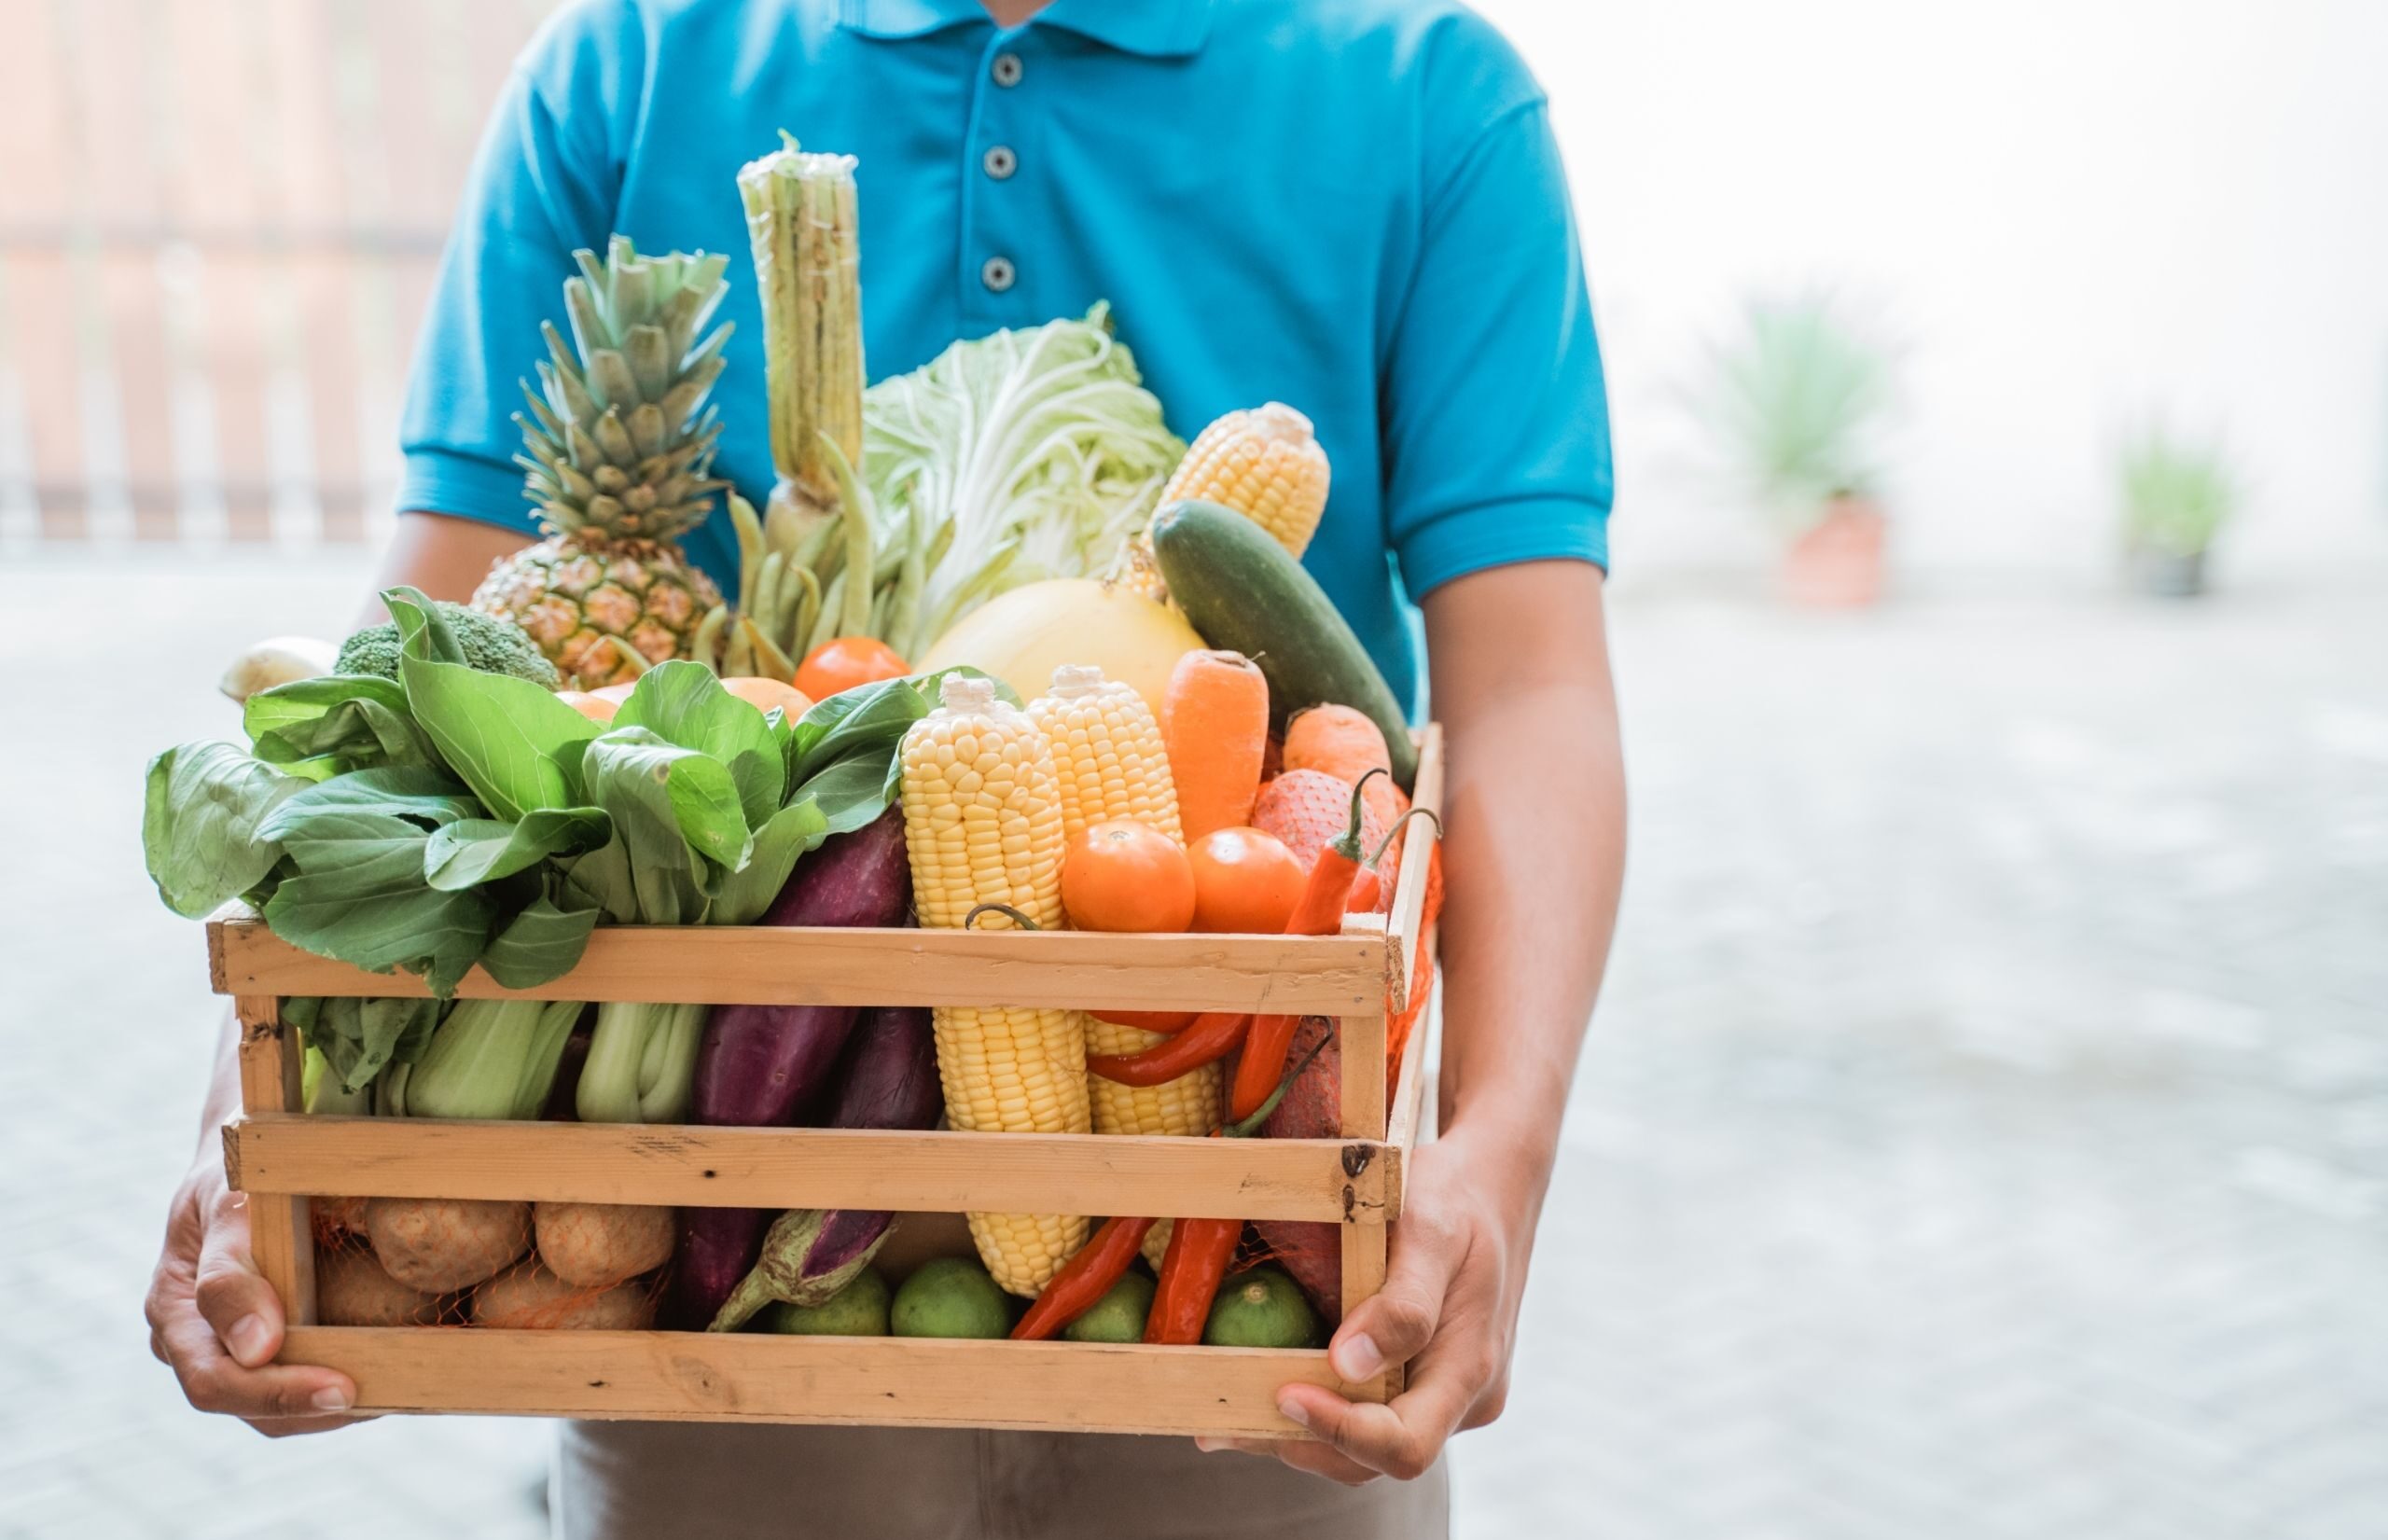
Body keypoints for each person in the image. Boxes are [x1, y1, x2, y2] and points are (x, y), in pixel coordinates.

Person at [144, 0, 1625, 1534]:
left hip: (1242, 1259)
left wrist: (1497, 1156)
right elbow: (421, 678)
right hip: (716, 1271)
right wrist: (249, 1129)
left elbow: (1530, 687)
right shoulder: (628, 69)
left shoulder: (1424, 89)